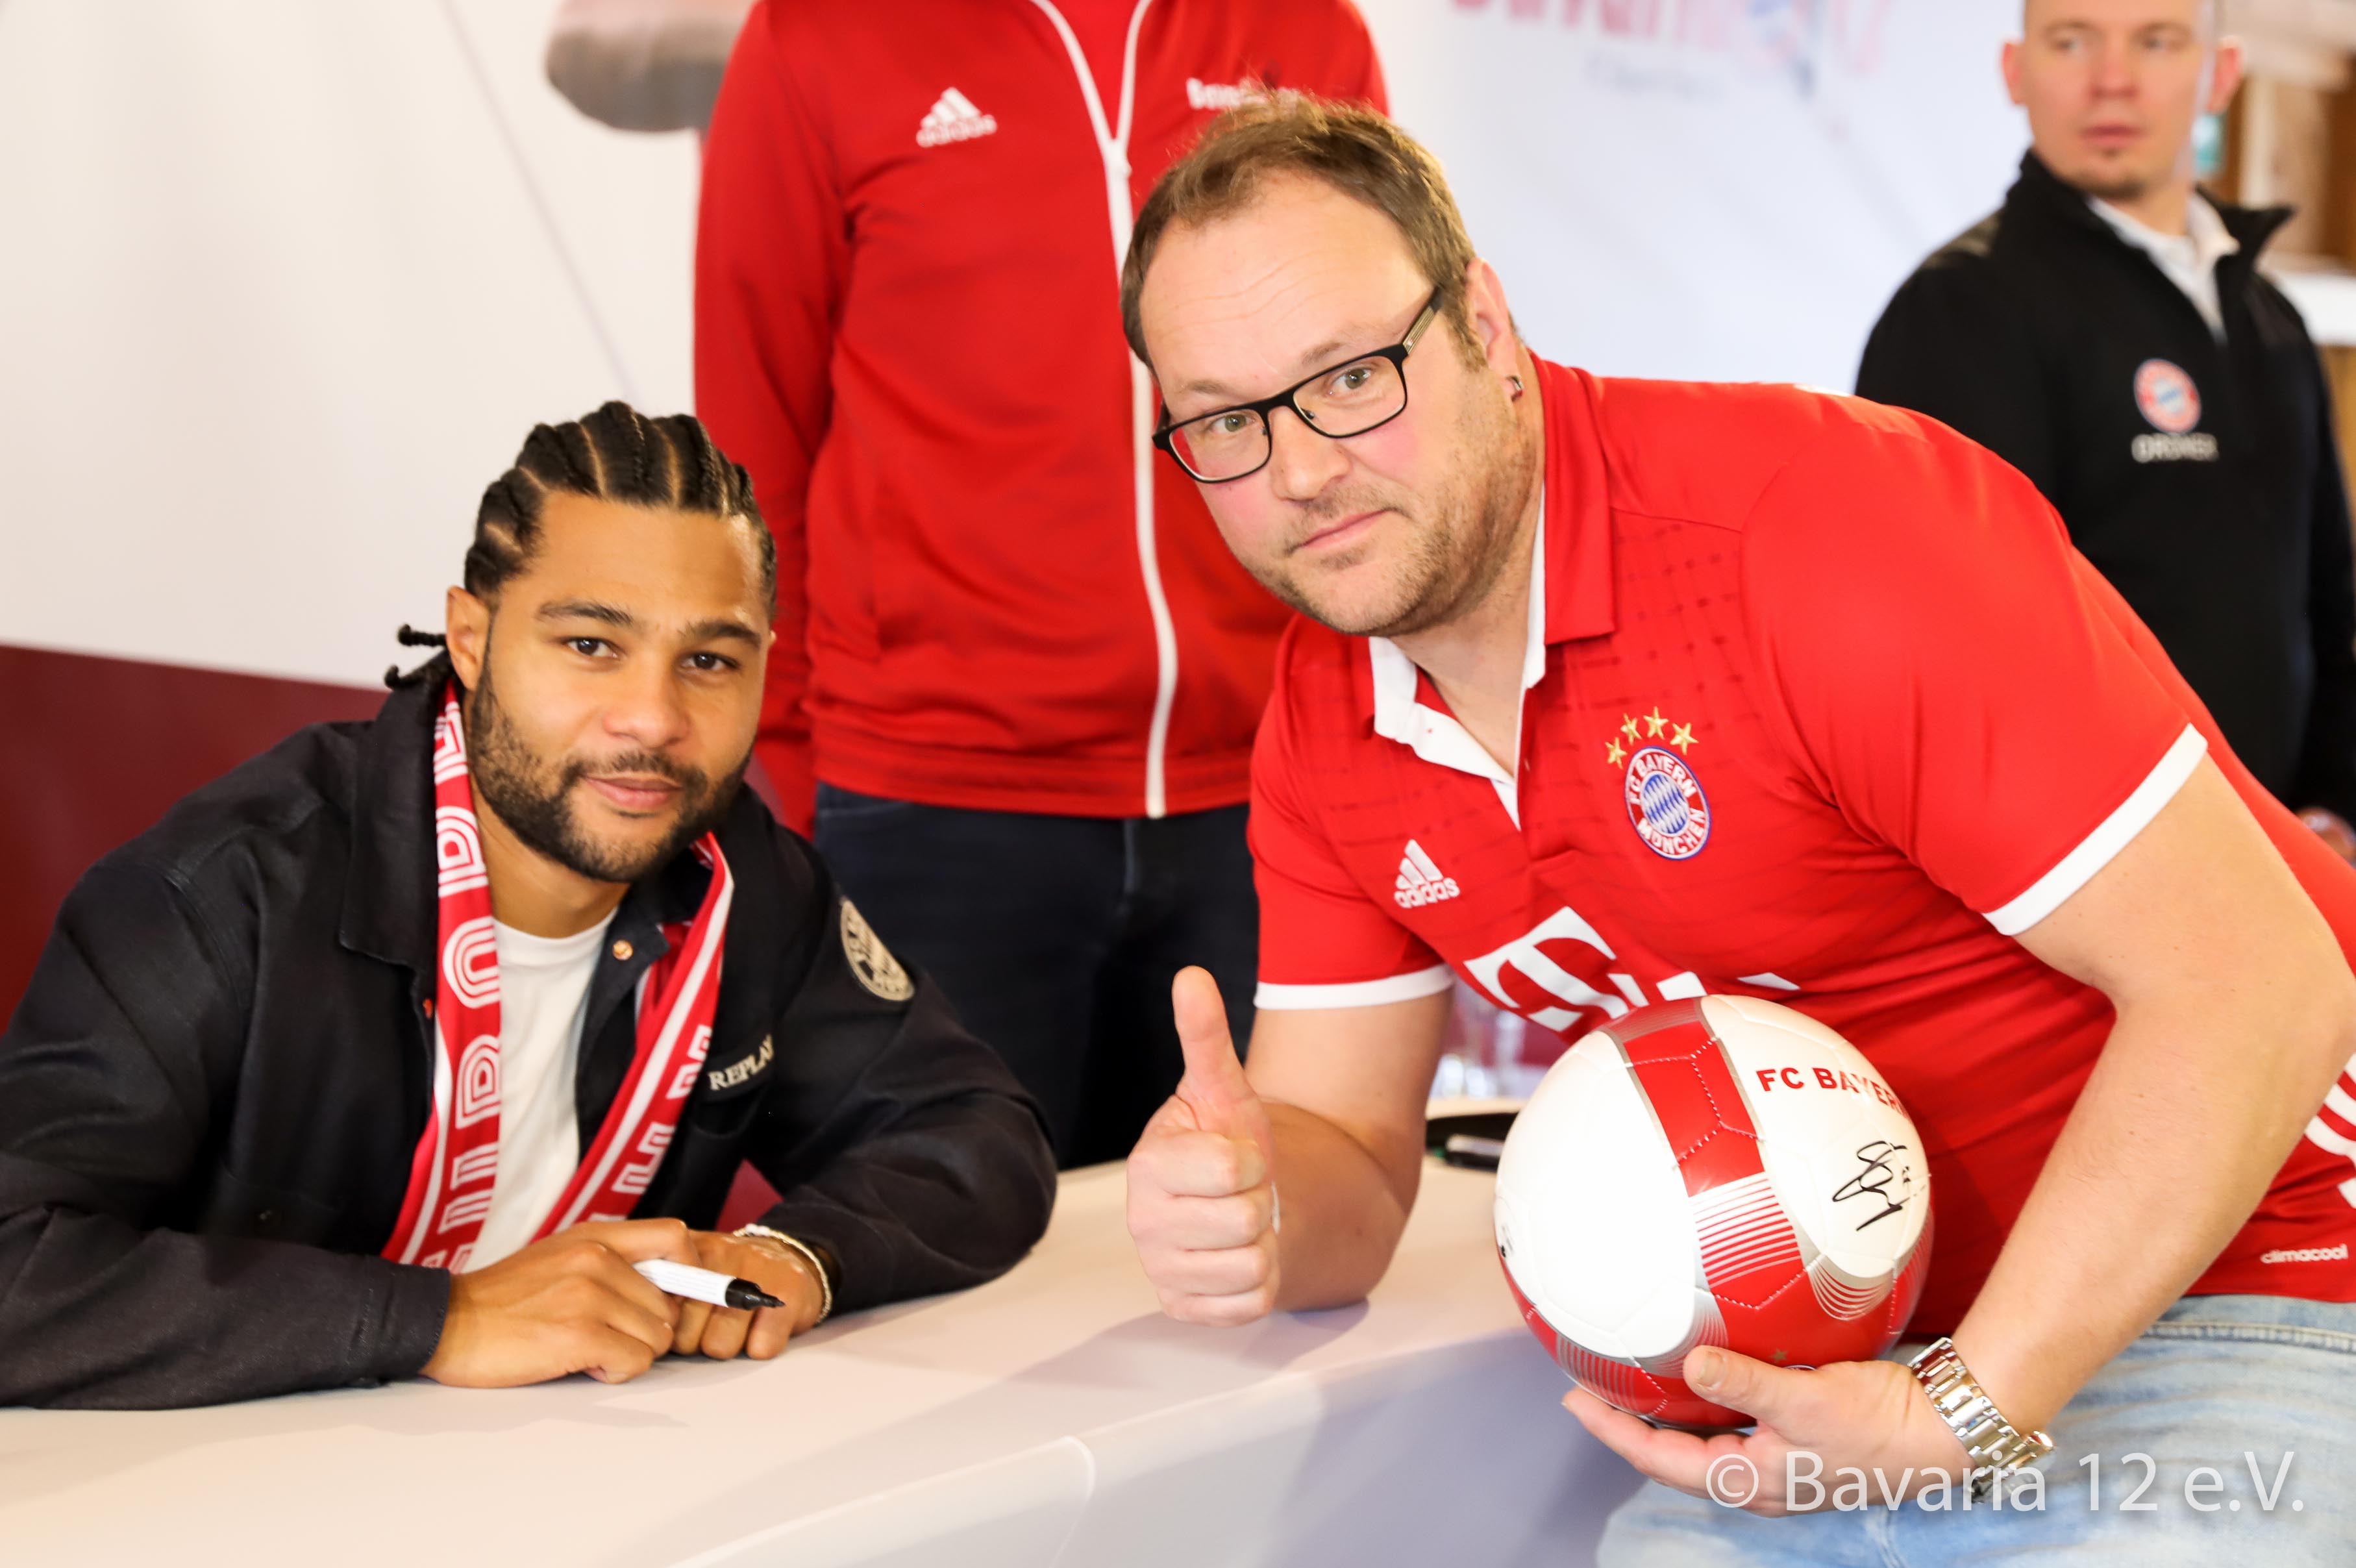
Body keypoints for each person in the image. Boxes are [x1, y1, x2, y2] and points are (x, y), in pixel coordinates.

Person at [1117, 97, 2356, 1562]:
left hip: (2264, 1274)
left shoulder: (1810, 531)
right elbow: (1351, 1160)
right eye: (1226, 419)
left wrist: (1966, 1405)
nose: (1300, 469)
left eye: (1348, 376)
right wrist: (1254, 1200)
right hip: (1860, 1371)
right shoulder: (1328, 719)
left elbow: (2260, 983)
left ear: (1484, 326)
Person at [0, 404, 1055, 1410]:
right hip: (222, 1489)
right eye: (591, 645)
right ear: (470, 637)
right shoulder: (221, 892)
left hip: (577, 1476)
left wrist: (794, 1259)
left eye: (708, 661)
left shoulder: (745, 877)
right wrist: (439, 1321)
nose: (652, 719)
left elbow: (972, 1133)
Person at [694, 0, 1385, 1167]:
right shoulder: (818, 35)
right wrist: (800, 757)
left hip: (1266, 796)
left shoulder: (1306, 29)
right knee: (948, 1252)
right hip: (937, 800)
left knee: (1252, 1242)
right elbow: (752, 439)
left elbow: (1372, 384)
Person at [1858, 0, 2356, 859]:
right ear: (2015, 71)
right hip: (2091, 878)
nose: (2111, 79)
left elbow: (2327, 601)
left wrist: (2338, 808)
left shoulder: (2269, 316)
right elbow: (1955, 663)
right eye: (2071, 40)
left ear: (2220, 74)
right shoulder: (1960, 309)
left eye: (2156, 41)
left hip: (2287, 864)